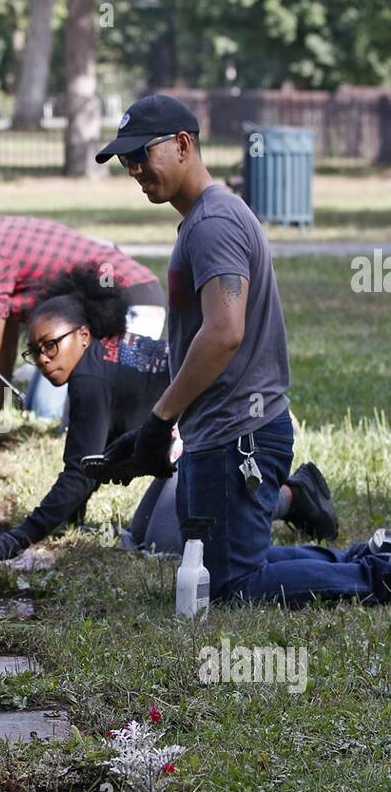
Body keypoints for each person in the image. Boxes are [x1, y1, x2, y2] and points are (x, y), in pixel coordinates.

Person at [89, 93, 390, 606]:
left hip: (239, 436)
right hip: (227, 431)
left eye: (141, 153)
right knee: (225, 565)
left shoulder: (213, 224)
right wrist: (153, 432)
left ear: (183, 144)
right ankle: (368, 559)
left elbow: (224, 332)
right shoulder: (207, 217)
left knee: (230, 586)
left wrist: (159, 422)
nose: (134, 168)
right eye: (125, 159)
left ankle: (377, 578)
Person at [0, 269, 336, 562]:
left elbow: (77, 472)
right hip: (203, 439)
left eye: (51, 345)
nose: (44, 359)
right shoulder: (99, 358)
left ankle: (293, 496)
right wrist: (70, 515)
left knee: (168, 543)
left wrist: (20, 536)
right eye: (35, 352)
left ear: (83, 335)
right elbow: (94, 462)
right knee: (141, 534)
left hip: (232, 435)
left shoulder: (89, 378)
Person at [0, 212, 166, 449]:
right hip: (110, 303)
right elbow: (0, 358)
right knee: (41, 406)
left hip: (127, 299)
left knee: (62, 415)